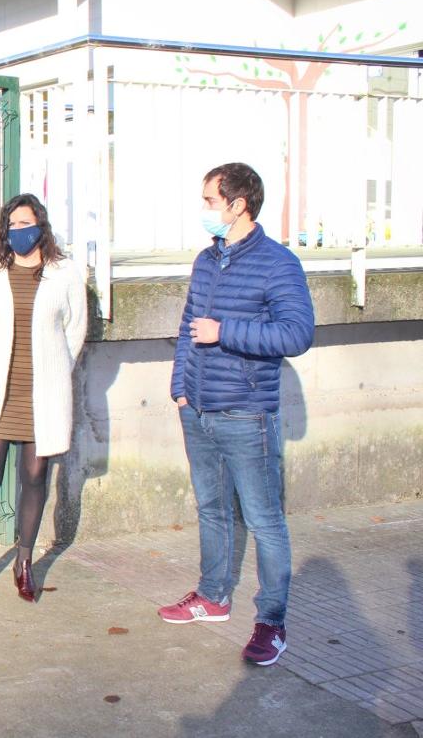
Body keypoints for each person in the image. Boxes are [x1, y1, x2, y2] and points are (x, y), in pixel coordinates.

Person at [158, 162, 314, 667]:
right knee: (211, 509)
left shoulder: (278, 263)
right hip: (198, 411)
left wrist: (225, 331)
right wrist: (180, 387)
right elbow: (188, 326)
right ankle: (212, 597)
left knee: (265, 521)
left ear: (237, 204)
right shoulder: (207, 260)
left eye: (209, 201)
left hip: (247, 415)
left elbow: (297, 335)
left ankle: (272, 622)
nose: (204, 210)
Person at [0, 193, 88, 602]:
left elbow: (75, 329)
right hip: (0, 390)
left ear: (41, 225)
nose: (19, 231)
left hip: (42, 393)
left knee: (34, 477)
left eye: (26, 223)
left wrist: (54, 371)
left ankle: (24, 562)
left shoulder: (63, 272)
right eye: (11, 225)